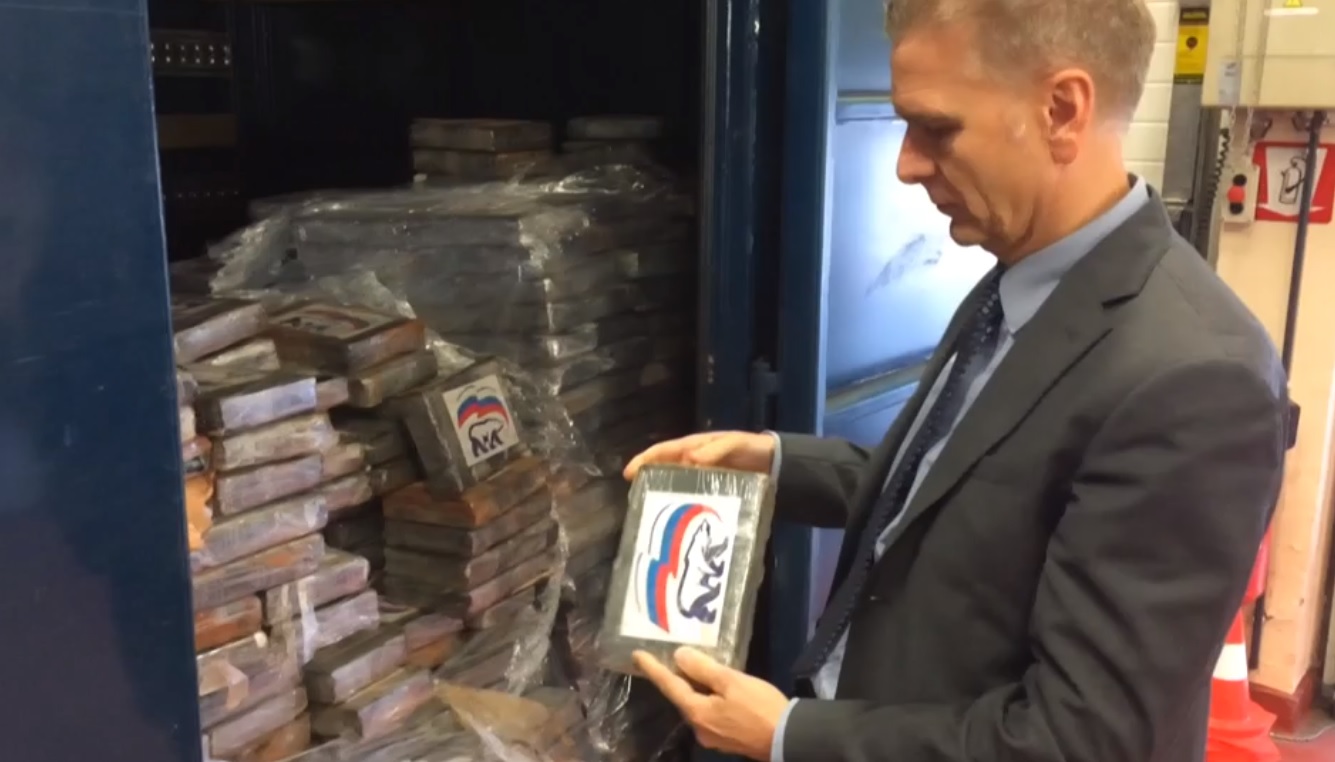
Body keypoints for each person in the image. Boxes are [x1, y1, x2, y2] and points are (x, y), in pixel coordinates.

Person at [622, 1, 1290, 760]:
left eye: (936, 128)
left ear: (1061, 111)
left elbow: (1083, 740)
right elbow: (960, 491)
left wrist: (789, 735)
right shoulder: (1022, 280)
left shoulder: (1193, 380)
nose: (905, 164)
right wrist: (776, 463)